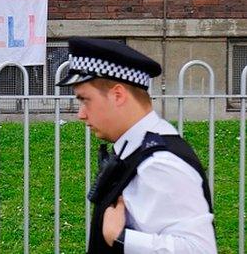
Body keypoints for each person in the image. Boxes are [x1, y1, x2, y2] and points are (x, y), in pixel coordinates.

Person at [57, 37, 216, 254]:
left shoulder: (160, 163)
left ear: (118, 95)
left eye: (85, 100)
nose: (80, 114)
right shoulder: (135, 149)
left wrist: (120, 238)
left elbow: (199, 249)